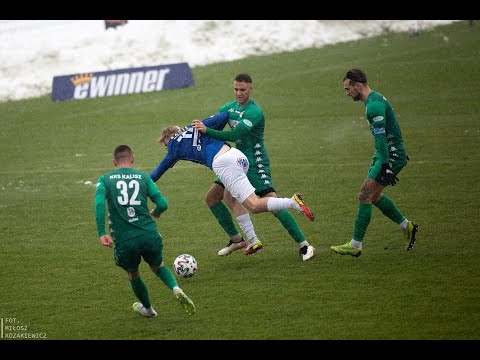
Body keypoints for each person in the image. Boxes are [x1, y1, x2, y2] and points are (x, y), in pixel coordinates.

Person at [192, 73, 316, 262]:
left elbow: (234, 136)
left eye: (243, 90)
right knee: (216, 197)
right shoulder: (230, 108)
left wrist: (206, 130)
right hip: (235, 162)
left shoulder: (254, 112)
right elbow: (213, 121)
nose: (239, 93)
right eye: (236, 89)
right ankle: (243, 240)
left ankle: (305, 245)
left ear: (251, 89)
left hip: (255, 162)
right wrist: (188, 130)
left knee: (271, 203)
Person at [150, 112, 315, 225]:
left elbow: (157, 172)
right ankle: (248, 241)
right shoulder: (197, 126)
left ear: (169, 137)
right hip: (235, 153)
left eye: (165, 143)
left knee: (254, 206)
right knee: (226, 198)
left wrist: (143, 181)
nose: (167, 147)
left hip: (223, 163)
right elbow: (224, 116)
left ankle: (292, 202)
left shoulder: (173, 147)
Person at [94, 144, 196, 317]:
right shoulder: (143, 177)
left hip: (125, 238)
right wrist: (155, 213)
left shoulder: (105, 179)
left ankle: (148, 310)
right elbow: (163, 204)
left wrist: (101, 232)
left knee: (133, 273)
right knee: (158, 266)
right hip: (149, 233)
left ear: (114, 162)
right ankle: (176, 288)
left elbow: (98, 204)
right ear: (132, 158)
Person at [330, 69, 418, 257]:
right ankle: (407, 226)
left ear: (358, 86)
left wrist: (387, 164)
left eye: (348, 89)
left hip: (388, 156)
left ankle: (355, 244)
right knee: (374, 196)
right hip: (387, 154)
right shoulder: (374, 100)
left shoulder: (374, 107)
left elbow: (381, 139)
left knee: (365, 195)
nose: (347, 93)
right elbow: (391, 128)